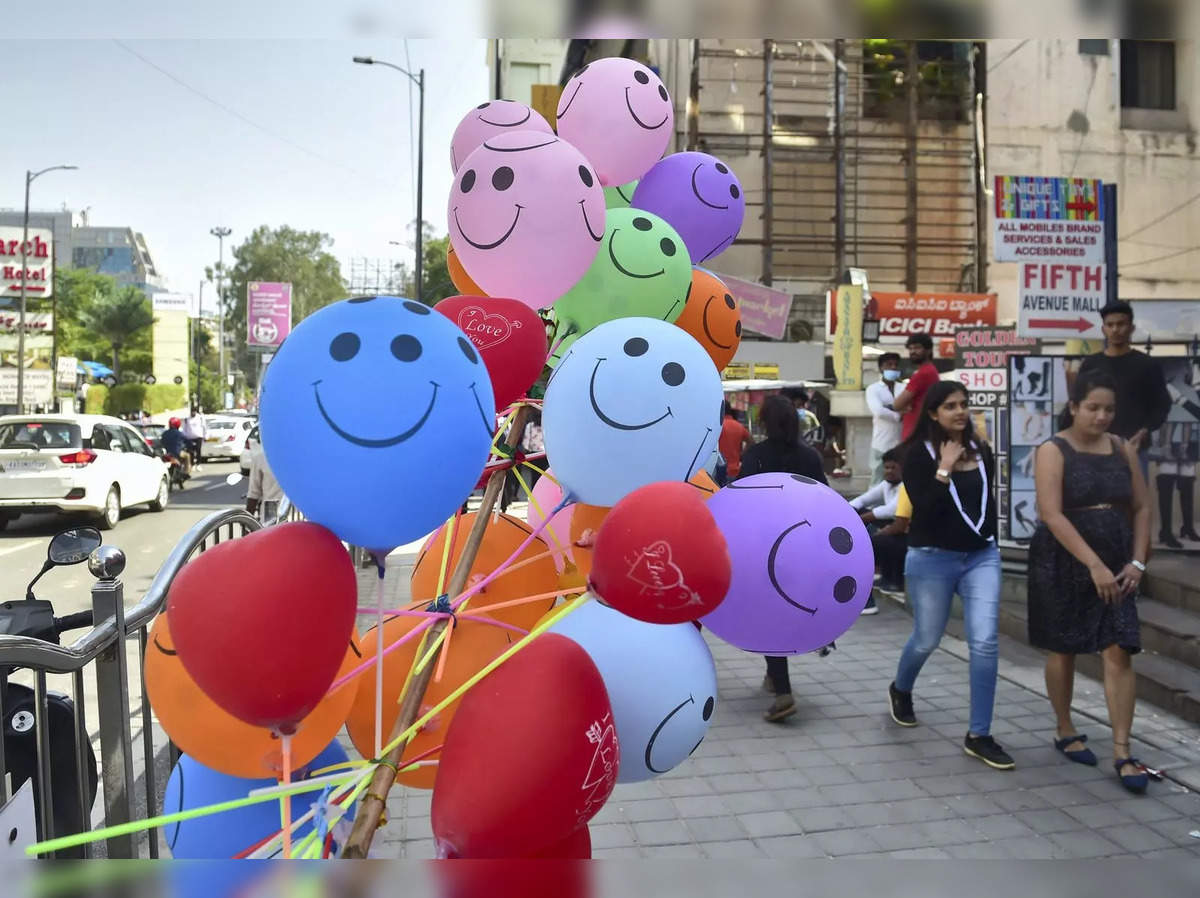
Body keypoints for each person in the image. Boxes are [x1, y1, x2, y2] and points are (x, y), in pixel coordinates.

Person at [1027, 371, 1154, 793]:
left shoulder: (1121, 448)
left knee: (1120, 647)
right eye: (1093, 408)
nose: (1102, 416)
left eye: (1109, 409)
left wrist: (1137, 560)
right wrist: (1093, 565)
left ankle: (1122, 749)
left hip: (1118, 561)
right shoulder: (1053, 449)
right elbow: (1051, 513)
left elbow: (1140, 507)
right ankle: (1065, 727)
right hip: (1064, 559)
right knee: (1064, 646)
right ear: (1074, 407)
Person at [887, 381, 1013, 770]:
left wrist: (988, 537)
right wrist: (944, 469)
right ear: (932, 414)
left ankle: (980, 734)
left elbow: (984, 502)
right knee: (927, 639)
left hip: (981, 557)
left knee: (985, 642)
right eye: (950, 406)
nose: (960, 412)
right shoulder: (917, 456)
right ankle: (901, 688)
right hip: (931, 559)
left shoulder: (982, 450)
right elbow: (923, 509)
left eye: (964, 405)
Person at [738, 394, 828, 723]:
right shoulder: (810, 457)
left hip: (763, 547)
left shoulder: (757, 455)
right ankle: (775, 674)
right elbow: (825, 501)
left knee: (767, 617)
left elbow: (741, 500)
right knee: (782, 611)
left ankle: (783, 690)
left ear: (764, 422)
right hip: (801, 546)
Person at [1078, 301, 1171, 481]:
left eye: (1121, 324)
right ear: (1103, 329)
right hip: (1094, 449)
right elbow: (1079, 404)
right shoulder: (1091, 364)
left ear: (1131, 328)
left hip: (1134, 449)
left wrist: (1144, 430)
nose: (1115, 330)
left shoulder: (1147, 365)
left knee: (1136, 505)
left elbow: (1162, 405)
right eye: (1110, 325)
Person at [850, 448, 904, 610]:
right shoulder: (886, 485)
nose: (889, 472)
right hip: (893, 528)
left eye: (893, 468)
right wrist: (846, 511)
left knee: (870, 542)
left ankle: (888, 584)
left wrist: (861, 518)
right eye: (886, 468)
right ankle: (885, 578)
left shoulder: (907, 485)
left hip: (906, 534)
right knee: (860, 512)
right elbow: (863, 500)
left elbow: (892, 510)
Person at [890, 333, 940, 441]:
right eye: (910, 348)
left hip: (915, 433)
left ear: (929, 350)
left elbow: (896, 405)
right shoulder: (931, 370)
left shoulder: (923, 373)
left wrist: (905, 405)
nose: (913, 351)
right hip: (923, 431)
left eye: (917, 348)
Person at [865, 352, 904, 484]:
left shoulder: (904, 388)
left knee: (900, 480)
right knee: (878, 478)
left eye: (895, 365)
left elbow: (910, 408)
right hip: (881, 442)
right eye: (889, 365)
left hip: (900, 442)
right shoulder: (873, 389)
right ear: (881, 368)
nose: (893, 367)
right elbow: (878, 411)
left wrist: (890, 408)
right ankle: (870, 505)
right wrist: (899, 415)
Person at [873, 482, 911, 599]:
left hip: (917, 540)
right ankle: (887, 578)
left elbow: (900, 525)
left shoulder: (908, 486)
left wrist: (882, 532)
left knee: (879, 540)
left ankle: (895, 582)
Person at [246, 447, 285, 524]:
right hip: (273, 512)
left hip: (274, 515)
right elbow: (253, 494)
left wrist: (247, 525)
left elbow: (253, 494)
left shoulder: (260, 457)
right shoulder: (260, 458)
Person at [716, 402, 751, 486]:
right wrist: (742, 454)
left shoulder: (718, 427)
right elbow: (751, 442)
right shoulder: (739, 426)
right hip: (735, 472)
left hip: (719, 472)